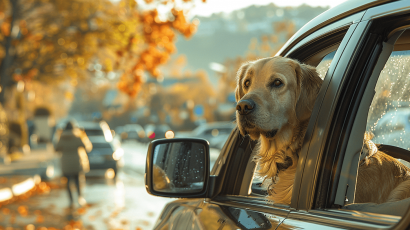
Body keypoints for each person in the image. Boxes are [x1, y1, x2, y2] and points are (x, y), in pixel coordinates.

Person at [55, 121, 92, 208]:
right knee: (77, 181)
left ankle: (71, 201)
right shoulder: (77, 136)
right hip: (76, 162)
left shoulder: (62, 137)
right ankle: (79, 197)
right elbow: (87, 147)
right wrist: (83, 135)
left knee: (68, 183)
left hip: (65, 164)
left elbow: (56, 149)